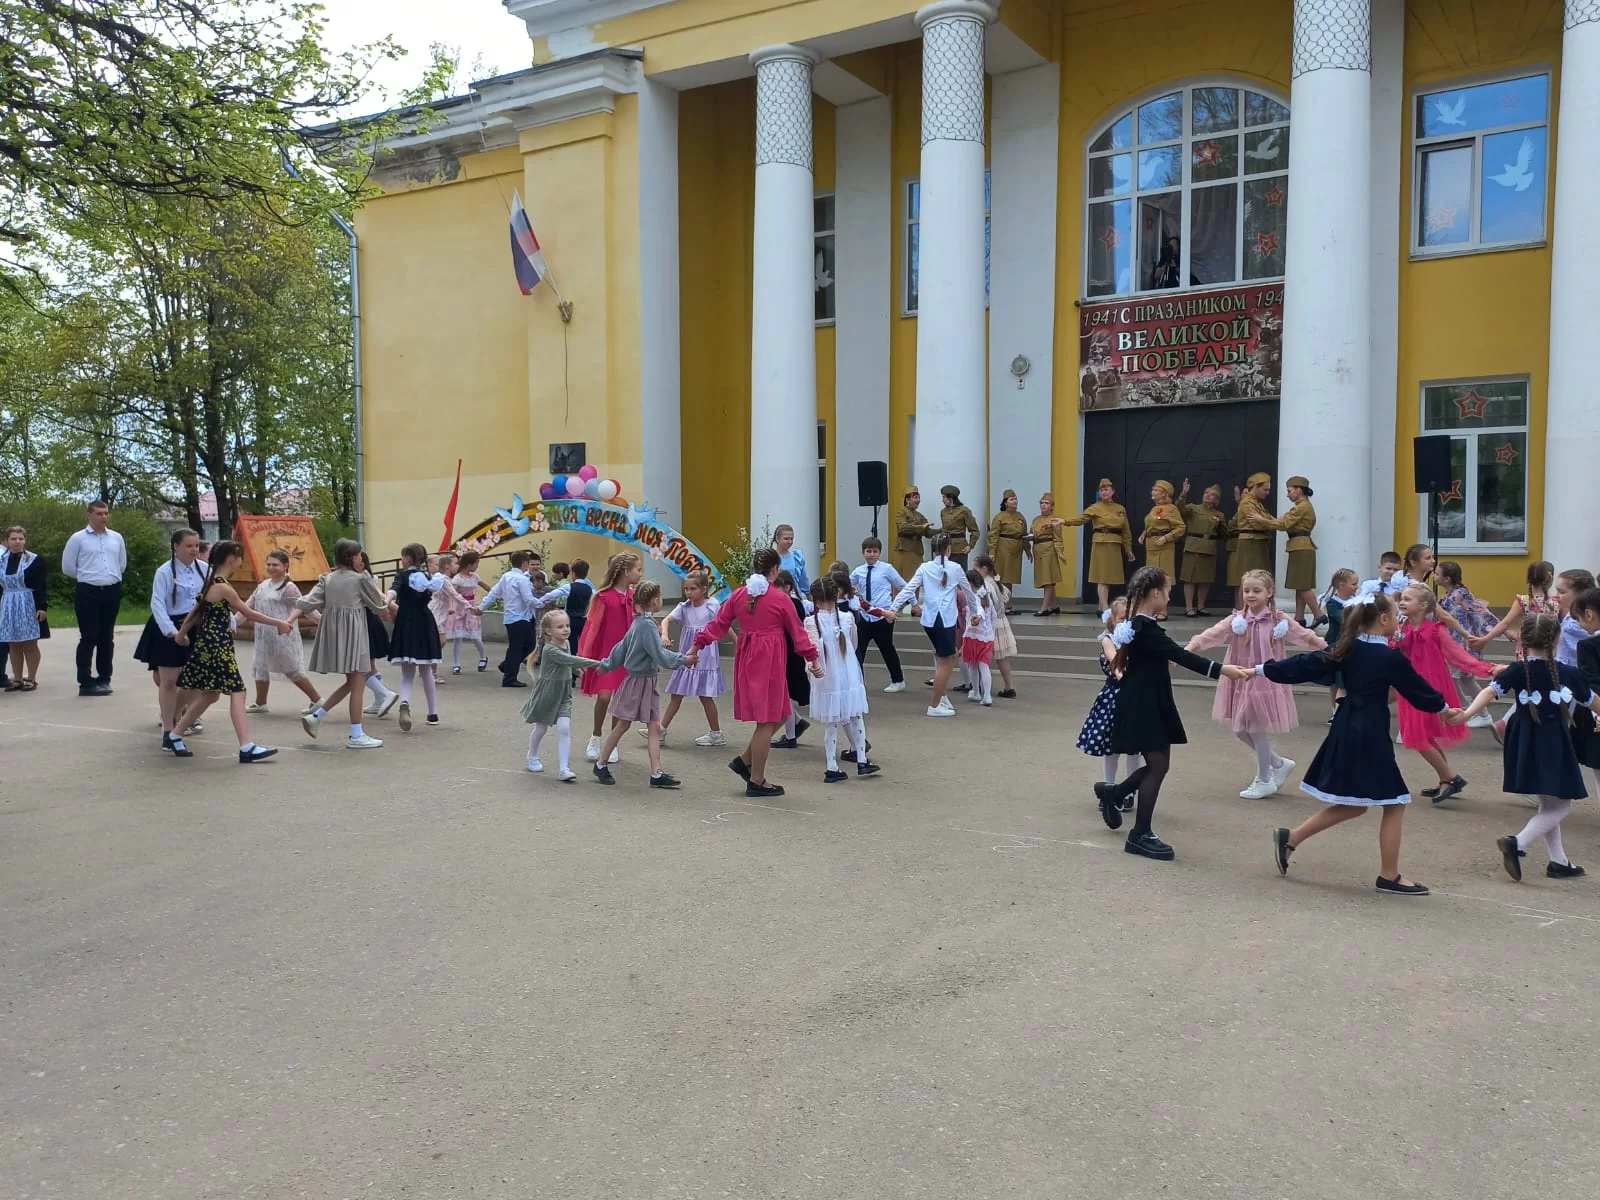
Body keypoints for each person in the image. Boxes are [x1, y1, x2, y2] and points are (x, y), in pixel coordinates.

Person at [1261, 592, 1448, 896]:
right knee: (1394, 802)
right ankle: (1389, 876)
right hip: (1369, 732)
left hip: (1347, 726)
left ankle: (1291, 838)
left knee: (1356, 804)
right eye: (1394, 614)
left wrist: (1261, 670)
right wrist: (1444, 708)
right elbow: (1417, 689)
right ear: (1383, 619)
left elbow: (1304, 665)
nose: (1398, 619)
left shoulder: (1347, 649)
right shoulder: (1388, 657)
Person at [1091, 566, 1252, 860]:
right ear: (1155, 593)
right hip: (1145, 704)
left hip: (1147, 701)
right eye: (1167, 590)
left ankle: (1115, 794)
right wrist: (1222, 670)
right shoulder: (1146, 629)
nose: (1169, 595)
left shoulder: (1139, 625)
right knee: (1158, 766)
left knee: (1158, 765)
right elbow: (1180, 656)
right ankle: (1139, 834)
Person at [1447, 613, 1600, 883]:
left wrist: (1467, 714)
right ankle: (1517, 843)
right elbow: (1593, 700)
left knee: (1548, 801)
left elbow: (1490, 691)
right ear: (1557, 639)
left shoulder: (1518, 670)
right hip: (1552, 743)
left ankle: (1558, 861)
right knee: (1561, 806)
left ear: (1523, 640)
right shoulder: (1568, 673)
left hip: (1524, 740)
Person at [691, 547, 822, 798]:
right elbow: (798, 633)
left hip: (749, 657)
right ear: (775, 570)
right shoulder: (780, 598)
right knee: (767, 720)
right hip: (768, 660)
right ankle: (757, 779)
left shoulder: (740, 594)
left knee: (782, 713)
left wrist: (697, 645)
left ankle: (744, 761)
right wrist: (813, 659)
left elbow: (718, 624)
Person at [1184, 569, 1326, 799]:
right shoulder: (1237, 619)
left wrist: (1329, 648)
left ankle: (1264, 779)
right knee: (1241, 730)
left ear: (1269, 593)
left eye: (1256, 591)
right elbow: (1212, 634)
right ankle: (1278, 763)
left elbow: (1305, 636)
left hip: (1264, 680)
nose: (1250, 595)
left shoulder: (1279, 619)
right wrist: (1191, 647)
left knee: (1256, 730)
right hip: (1240, 677)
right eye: (1247, 590)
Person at [170, 540, 290, 763]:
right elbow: (249, 613)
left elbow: (196, 611)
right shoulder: (222, 586)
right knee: (238, 692)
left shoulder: (211, 581)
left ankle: (175, 735)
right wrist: (279, 623)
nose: (241, 562)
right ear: (231, 559)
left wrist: (181, 633)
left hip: (210, 643)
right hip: (217, 645)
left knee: (210, 694)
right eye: (239, 557)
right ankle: (246, 747)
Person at [1394, 583, 1498, 805]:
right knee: (1424, 737)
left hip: (1430, 686)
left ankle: (1451, 778)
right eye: (1402, 598)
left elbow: (1458, 656)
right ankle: (1445, 778)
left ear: (1423, 605)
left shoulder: (1435, 630)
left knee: (1419, 738)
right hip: (1409, 686)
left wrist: (1489, 669)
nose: (1402, 602)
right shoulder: (1401, 628)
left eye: (1408, 599)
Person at [591, 580, 693, 788]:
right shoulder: (646, 625)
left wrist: (607, 665)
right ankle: (601, 764)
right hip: (638, 682)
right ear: (654, 600)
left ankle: (656, 773)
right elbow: (659, 655)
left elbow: (621, 648)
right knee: (623, 724)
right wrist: (684, 660)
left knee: (653, 726)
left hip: (645, 681)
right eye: (660, 597)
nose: (661, 600)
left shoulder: (639, 622)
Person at [298, 539, 397, 749]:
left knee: (353, 682)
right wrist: (389, 602)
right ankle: (356, 735)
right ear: (351, 557)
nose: (362, 559)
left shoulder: (327, 579)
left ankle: (316, 716)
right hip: (355, 637)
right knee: (357, 684)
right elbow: (378, 606)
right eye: (359, 555)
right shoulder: (360, 580)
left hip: (336, 638)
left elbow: (306, 603)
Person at [890, 533, 983, 718]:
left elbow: (909, 589)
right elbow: (969, 594)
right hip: (945, 619)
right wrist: (974, 613)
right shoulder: (956, 568)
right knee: (946, 661)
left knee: (948, 656)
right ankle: (934, 704)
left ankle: (943, 697)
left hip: (930, 619)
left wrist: (893, 607)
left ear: (933, 550)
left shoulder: (925, 567)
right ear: (949, 549)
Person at [134, 528, 209, 752]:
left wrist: (230, 622)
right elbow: (157, 603)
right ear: (176, 547)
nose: (194, 550)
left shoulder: (205, 569)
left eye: (196, 545)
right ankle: (168, 730)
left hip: (196, 626)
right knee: (168, 681)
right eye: (189, 545)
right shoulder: (164, 571)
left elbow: (214, 599)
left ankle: (181, 714)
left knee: (197, 679)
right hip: (169, 626)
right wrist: (172, 632)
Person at [804, 576, 879, 783]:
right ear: (836, 595)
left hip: (826, 674)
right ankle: (862, 759)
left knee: (832, 721)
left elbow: (810, 649)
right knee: (855, 715)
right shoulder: (847, 618)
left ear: (814, 599)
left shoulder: (811, 622)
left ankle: (831, 766)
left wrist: (813, 666)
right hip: (848, 671)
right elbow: (853, 644)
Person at [522, 609, 604, 781]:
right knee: (541, 728)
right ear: (548, 631)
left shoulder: (566, 643)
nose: (566, 629)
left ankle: (564, 769)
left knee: (564, 728)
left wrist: (576, 671)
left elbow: (568, 662)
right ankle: (532, 755)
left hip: (564, 693)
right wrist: (598, 663)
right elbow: (571, 660)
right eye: (560, 627)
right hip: (547, 694)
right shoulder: (550, 649)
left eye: (567, 625)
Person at [577, 552, 642, 764]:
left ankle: (612, 743)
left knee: (620, 700)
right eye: (638, 569)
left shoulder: (635, 597)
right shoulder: (603, 597)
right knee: (604, 696)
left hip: (628, 656)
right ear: (626, 572)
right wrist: (584, 657)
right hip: (606, 654)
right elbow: (592, 628)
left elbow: (642, 624)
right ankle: (596, 736)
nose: (640, 574)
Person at [1076, 598, 1140, 796]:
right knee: (1111, 748)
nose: (1125, 623)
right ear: (1112, 619)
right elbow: (1115, 662)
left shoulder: (1138, 638)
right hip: (1114, 697)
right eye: (1121, 618)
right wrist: (1124, 678)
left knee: (1134, 749)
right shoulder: (1108, 639)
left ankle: (1129, 791)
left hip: (1136, 695)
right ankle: (1109, 788)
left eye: (1129, 619)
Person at [61, 499, 126, 696]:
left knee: (107, 636)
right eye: (99, 514)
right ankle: (85, 681)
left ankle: (104, 678)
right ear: (89, 515)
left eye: (106, 513)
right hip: (88, 591)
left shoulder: (116, 537)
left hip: (111, 590)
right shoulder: (78, 538)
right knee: (89, 636)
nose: (103, 517)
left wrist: (109, 577)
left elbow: (121, 564)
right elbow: (68, 567)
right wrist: (89, 576)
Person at [655, 569, 726, 747]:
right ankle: (661, 729)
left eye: (692, 588)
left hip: (705, 655)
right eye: (686, 589)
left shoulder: (712, 605)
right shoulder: (684, 607)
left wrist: (738, 642)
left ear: (704, 589)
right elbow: (666, 620)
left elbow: (723, 625)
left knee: (705, 696)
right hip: (686, 654)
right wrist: (664, 634)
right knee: (676, 693)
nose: (688, 592)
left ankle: (716, 733)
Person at [245, 549, 321, 715]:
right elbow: (247, 606)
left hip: (282, 636)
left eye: (275, 565)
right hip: (263, 635)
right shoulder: (263, 586)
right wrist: (233, 622)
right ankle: (260, 703)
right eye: (268, 564)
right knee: (260, 666)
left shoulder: (289, 587)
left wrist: (322, 623)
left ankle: (317, 700)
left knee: (292, 668)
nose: (271, 568)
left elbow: (304, 607)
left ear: (285, 566)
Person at [386, 542, 447, 732]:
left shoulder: (402, 576)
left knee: (407, 673)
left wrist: (387, 601)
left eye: (403, 556)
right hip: (425, 622)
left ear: (409, 557)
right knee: (426, 670)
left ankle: (404, 702)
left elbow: (393, 590)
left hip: (406, 622)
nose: (402, 559)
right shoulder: (428, 578)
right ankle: (433, 714)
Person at [1249, 475, 1319, 625]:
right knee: (1299, 585)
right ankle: (1299, 618)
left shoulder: (1302, 507)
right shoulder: (1301, 506)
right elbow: (1282, 521)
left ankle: (1318, 615)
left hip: (1301, 547)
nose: (1288, 495)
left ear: (1298, 490)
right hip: (1299, 546)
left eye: (1289, 491)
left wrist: (1262, 520)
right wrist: (1269, 518)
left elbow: (1283, 524)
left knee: (1303, 586)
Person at [1436, 560, 1498, 728]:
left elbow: (1481, 612)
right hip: (1454, 643)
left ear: (1447, 578)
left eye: (1437, 574)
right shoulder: (1448, 596)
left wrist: (1500, 630)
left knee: (1465, 679)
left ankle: (1482, 713)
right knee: (1455, 678)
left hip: (1463, 643)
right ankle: (1468, 708)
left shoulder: (1461, 594)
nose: (1434, 576)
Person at [1059, 478, 1134, 612]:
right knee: (1102, 577)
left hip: (1115, 544)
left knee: (1109, 577)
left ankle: (1101, 605)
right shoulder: (1095, 507)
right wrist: (1065, 521)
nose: (1104, 492)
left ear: (1112, 491)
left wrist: (1128, 549)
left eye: (1106, 489)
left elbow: (1126, 531)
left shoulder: (1120, 509)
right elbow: (1081, 519)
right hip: (1101, 543)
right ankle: (1105, 608)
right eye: (1101, 490)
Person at [850, 536, 908, 694]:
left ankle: (898, 680)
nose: (871, 554)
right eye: (868, 551)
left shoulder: (887, 569)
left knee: (887, 648)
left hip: (883, 616)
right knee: (859, 649)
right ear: (863, 552)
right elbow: (847, 584)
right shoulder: (859, 571)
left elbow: (903, 586)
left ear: (879, 553)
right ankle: (857, 681)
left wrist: (908, 604)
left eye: (875, 551)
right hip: (865, 616)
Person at [1468, 559, 1556, 655]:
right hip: (1550, 649)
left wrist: (1485, 639)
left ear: (1528, 579)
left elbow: (1504, 623)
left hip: (1526, 650)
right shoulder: (1557, 602)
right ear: (1550, 579)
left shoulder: (1523, 601)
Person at [479, 551, 538, 688]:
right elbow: (528, 599)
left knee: (524, 646)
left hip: (512, 618)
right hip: (521, 617)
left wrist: (481, 607)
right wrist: (542, 603)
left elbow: (493, 593)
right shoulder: (522, 579)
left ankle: (507, 666)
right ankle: (509, 677)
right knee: (519, 647)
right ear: (524, 563)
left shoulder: (506, 577)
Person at [0, 526, 48, 691]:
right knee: (13, 643)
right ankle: (18, 678)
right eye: (13, 539)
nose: (17, 542)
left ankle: (31, 678)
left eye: (20, 539)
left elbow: (41, 586)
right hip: (8, 603)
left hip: (28, 602)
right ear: (7, 541)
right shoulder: (2, 561)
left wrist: (42, 607)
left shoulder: (34, 560)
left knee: (29, 643)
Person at [770, 570, 813, 747]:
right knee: (782, 693)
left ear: (787, 587)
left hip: (789, 653)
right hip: (782, 651)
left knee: (785, 694)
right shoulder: (785, 603)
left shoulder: (793, 604)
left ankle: (790, 736)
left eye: (776, 587)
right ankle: (797, 723)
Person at [1174, 480, 1225, 617]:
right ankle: (1189, 607)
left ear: (1217, 499)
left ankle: (1201, 606)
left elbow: (1223, 533)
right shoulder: (1193, 508)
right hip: (1193, 546)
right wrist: (1183, 493)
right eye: (1206, 492)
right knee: (1189, 578)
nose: (1208, 495)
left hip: (1209, 548)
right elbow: (1179, 509)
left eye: (1212, 494)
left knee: (1205, 579)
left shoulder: (1219, 515)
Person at [1568, 588, 1600, 793]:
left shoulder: (1588, 646)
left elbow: (1591, 683)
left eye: (1578, 618)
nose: (1579, 624)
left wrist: (1597, 714)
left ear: (1589, 614)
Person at [973, 555, 1018, 698]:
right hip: (1001, 621)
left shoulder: (986, 585)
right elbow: (1006, 595)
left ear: (984, 569)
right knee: (1001, 657)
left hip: (991, 623)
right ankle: (1009, 687)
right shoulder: (994, 582)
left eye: (975, 568)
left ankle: (978, 686)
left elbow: (987, 604)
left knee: (981, 655)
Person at [1230, 473, 1274, 607]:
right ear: (1255, 487)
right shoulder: (1247, 503)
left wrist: (1266, 520)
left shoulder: (1257, 503)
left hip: (1258, 541)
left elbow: (1264, 520)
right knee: (1248, 577)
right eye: (1265, 489)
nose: (1267, 493)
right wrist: (1270, 521)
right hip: (1250, 542)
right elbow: (1257, 524)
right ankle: (1242, 611)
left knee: (1260, 577)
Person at [1322, 567, 1359, 718]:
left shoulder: (1356, 601)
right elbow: (1344, 619)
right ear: (1342, 585)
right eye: (1354, 584)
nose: (1357, 587)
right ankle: (1336, 712)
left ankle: (1340, 713)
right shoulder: (1332, 603)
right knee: (1336, 682)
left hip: (1351, 645)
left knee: (1343, 681)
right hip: (1336, 645)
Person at [445, 551, 489, 673]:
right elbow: (452, 594)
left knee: (475, 636)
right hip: (460, 608)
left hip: (472, 608)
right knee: (458, 637)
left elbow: (485, 586)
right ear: (469, 564)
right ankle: (456, 664)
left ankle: (483, 657)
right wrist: (451, 607)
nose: (477, 566)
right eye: (476, 563)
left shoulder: (475, 577)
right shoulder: (457, 579)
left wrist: (496, 594)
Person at [959, 568, 997, 705]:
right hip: (987, 637)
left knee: (973, 665)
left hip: (972, 636)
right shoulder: (986, 596)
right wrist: (992, 632)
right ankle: (987, 695)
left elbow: (978, 609)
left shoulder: (973, 597)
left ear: (970, 583)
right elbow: (994, 616)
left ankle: (976, 692)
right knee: (983, 666)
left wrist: (978, 617)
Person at [1027, 493, 1068, 616]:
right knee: (1044, 578)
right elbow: (1032, 532)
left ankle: (1044, 607)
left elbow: (1058, 538)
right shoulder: (1036, 519)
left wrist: (1060, 552)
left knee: (1048, 580)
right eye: (1042, 503)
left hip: (1048, 550)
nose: (1043, 505)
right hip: (1038, 549)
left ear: (1052, 506)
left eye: (1046, 503)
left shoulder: (1054, 520)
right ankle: (1054, 606)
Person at [1137, 480, 1184, 579]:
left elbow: (1181, 527)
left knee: (1163, 578)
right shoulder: (1154, 509)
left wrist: (1166, 538)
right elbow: (1152, 525)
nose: (1152, 492)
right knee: (1152, 579)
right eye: (1153, 490)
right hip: (1151, 547)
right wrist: (1144, 534)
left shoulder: (1171, 508)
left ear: (1164, 494)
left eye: (1156, 490)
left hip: (1163, 548)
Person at [986, 490, 1027, 595]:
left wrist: (1027, 550)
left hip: (1016, 552)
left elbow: (1024, 534)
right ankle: (1000, 601)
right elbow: (993, 535)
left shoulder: (1020, 516)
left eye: (1015, 499)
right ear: (1005, 503)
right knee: (999, 576)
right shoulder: (1000, 517)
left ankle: (1008, 601)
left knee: (1010, 578)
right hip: (1002, 550)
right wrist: (992, 552)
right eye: (1011, 499)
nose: (1015, 501)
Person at [892, 485, 935, 581]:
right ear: (907, 500)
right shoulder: (901, 513)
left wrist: (941, 530)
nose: (918, 500)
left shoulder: (919, 515)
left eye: (918, 498)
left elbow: (928, 533)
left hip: (916, 551)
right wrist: (921, 527)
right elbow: (903, 528)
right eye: (915, 497)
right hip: (904, 550)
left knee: (915, 581)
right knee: (902, 581)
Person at [938, 485, 980, 570]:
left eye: (944, 497)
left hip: (960, 549)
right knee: (945, 572)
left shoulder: (964, 511)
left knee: (960, 572)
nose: (942, 500)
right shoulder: (943, 512)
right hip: (945, 547)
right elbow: (944, 529)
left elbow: (975, 530)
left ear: (951, 498)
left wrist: (970, 545)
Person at [773, 524, 810, 595]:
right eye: (786, 539)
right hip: (776, 595)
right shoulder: (771, 558)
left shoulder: (796, 557)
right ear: (777, 539)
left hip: (795, 596)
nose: (790, 541)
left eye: (791, 539)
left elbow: (803, 581)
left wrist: (808, 596)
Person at [566, 559, 593, 651]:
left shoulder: (571, 586)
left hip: (572, 617)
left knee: (572, 643)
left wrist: (540, 601)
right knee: (583, 642)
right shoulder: (589, 586)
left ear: (573, 573)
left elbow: (555, 594)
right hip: (583, 617)